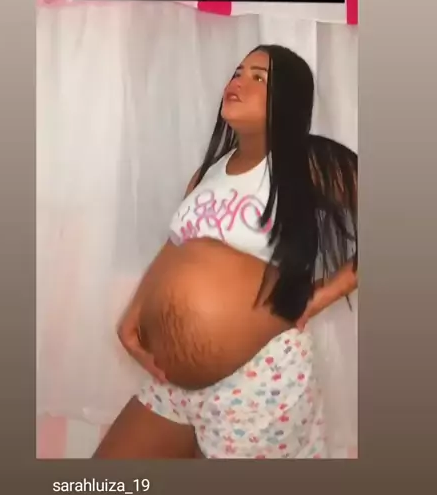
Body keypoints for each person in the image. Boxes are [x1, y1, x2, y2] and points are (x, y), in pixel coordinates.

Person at [94, 45, 358, 459]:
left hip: (260, 381)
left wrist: (324, 294)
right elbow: (177, 249)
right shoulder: (208, 173)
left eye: (259, 77)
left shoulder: (309, 162)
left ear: (288, 100)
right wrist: (133, 315)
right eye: (238, 71)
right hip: (171, 380)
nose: (239, 81)